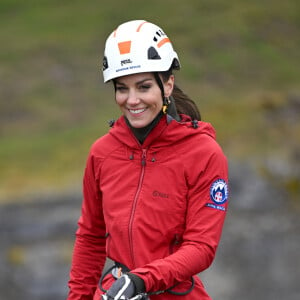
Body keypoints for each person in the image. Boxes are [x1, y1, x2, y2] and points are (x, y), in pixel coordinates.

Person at [67, 20, 229, 300]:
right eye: (122, 88)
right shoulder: (102, 153)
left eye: (143, 87)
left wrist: (140, 281)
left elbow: (202, 247)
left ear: (167, 84)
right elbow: (91, 238)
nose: (132, 100)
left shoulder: (204, 154)